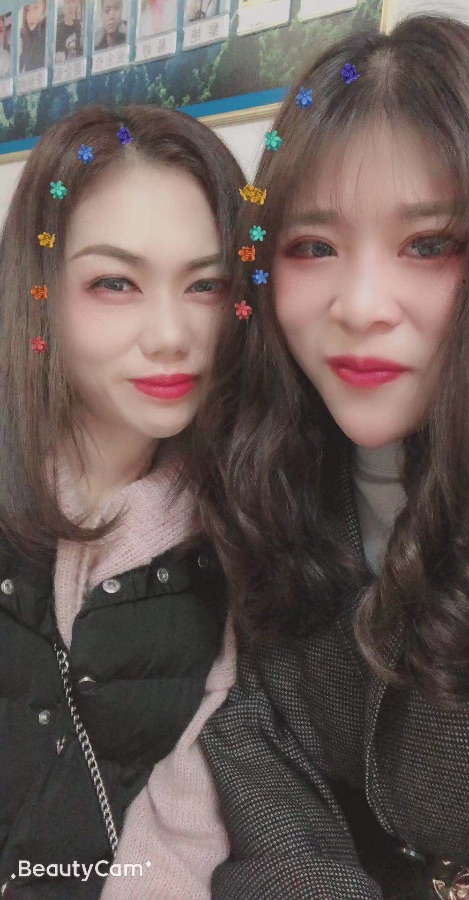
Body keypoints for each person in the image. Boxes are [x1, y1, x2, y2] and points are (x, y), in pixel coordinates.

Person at [191, 14, 469, 900]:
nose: (362, 305)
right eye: (313, 248)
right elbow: (259, 761)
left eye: (429, 244)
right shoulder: (265, 472)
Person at [0, 104, 244, 899]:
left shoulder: (245, 528)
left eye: (206, 284)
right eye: (115, 282)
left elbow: (185, 827)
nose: (170, 334)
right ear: (40, 293)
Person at [19, 0, 46, 72]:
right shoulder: (24, 38)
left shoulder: (46, 35)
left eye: (35, 8)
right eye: (28, 10)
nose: (31, 15)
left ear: (45, 9)